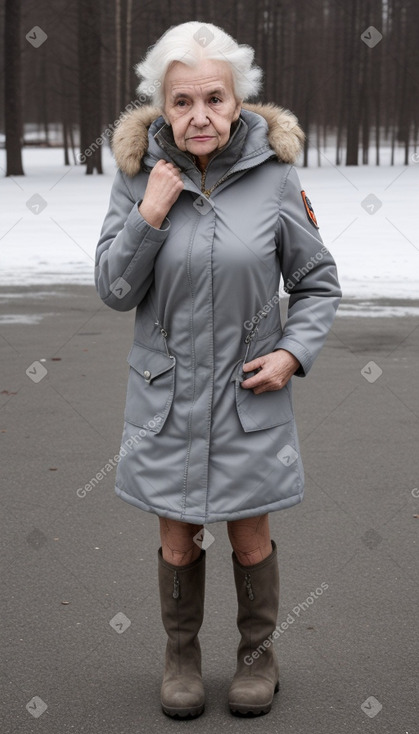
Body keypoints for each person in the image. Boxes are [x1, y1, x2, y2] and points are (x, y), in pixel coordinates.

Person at [95, 20, 341, 719]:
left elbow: (317, 282)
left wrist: (293, 352)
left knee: (248, 531)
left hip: (246, 397)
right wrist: (149, 212)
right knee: (175, 537)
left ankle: (257, 658)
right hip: (166, 399)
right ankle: (180, 658)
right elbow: (114, 291)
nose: (198, 115)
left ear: (237, 102)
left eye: (213, 98)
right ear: (161, 105)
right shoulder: (137, 176)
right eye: (181, 101)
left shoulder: (274, 179)